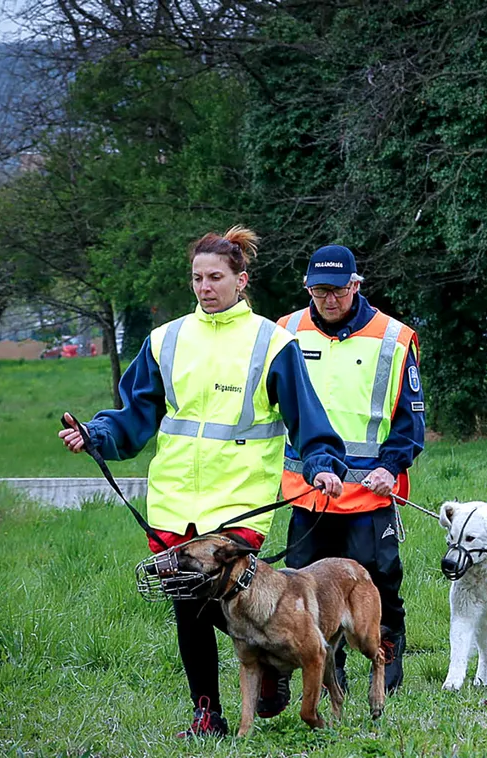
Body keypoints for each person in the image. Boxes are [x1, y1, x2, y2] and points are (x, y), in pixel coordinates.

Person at [56, 227, 346, 738]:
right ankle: (208, 713)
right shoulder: (165, 340)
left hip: (239, 504)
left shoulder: (273, 343)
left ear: (241, 280)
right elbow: (134, 414)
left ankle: (274, 667)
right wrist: (95, 434)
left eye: (216, 277)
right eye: (197, 277)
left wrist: (322, 463)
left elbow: (308, 420)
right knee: (188, 607)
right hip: (173, 504)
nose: (205, 287)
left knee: (237, 599)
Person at [276, 244, 424, 695]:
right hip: (310, 491)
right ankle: (328, 666)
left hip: (371, 494)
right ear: (307, 289)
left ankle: (388, 653)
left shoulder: (395, 338)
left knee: (379, 584)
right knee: (303, 586)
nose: (329, 300)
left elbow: (410, 421)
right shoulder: (285, 332)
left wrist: (391, 465)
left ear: (356, 285)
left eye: (338, 290)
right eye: (319, 291)